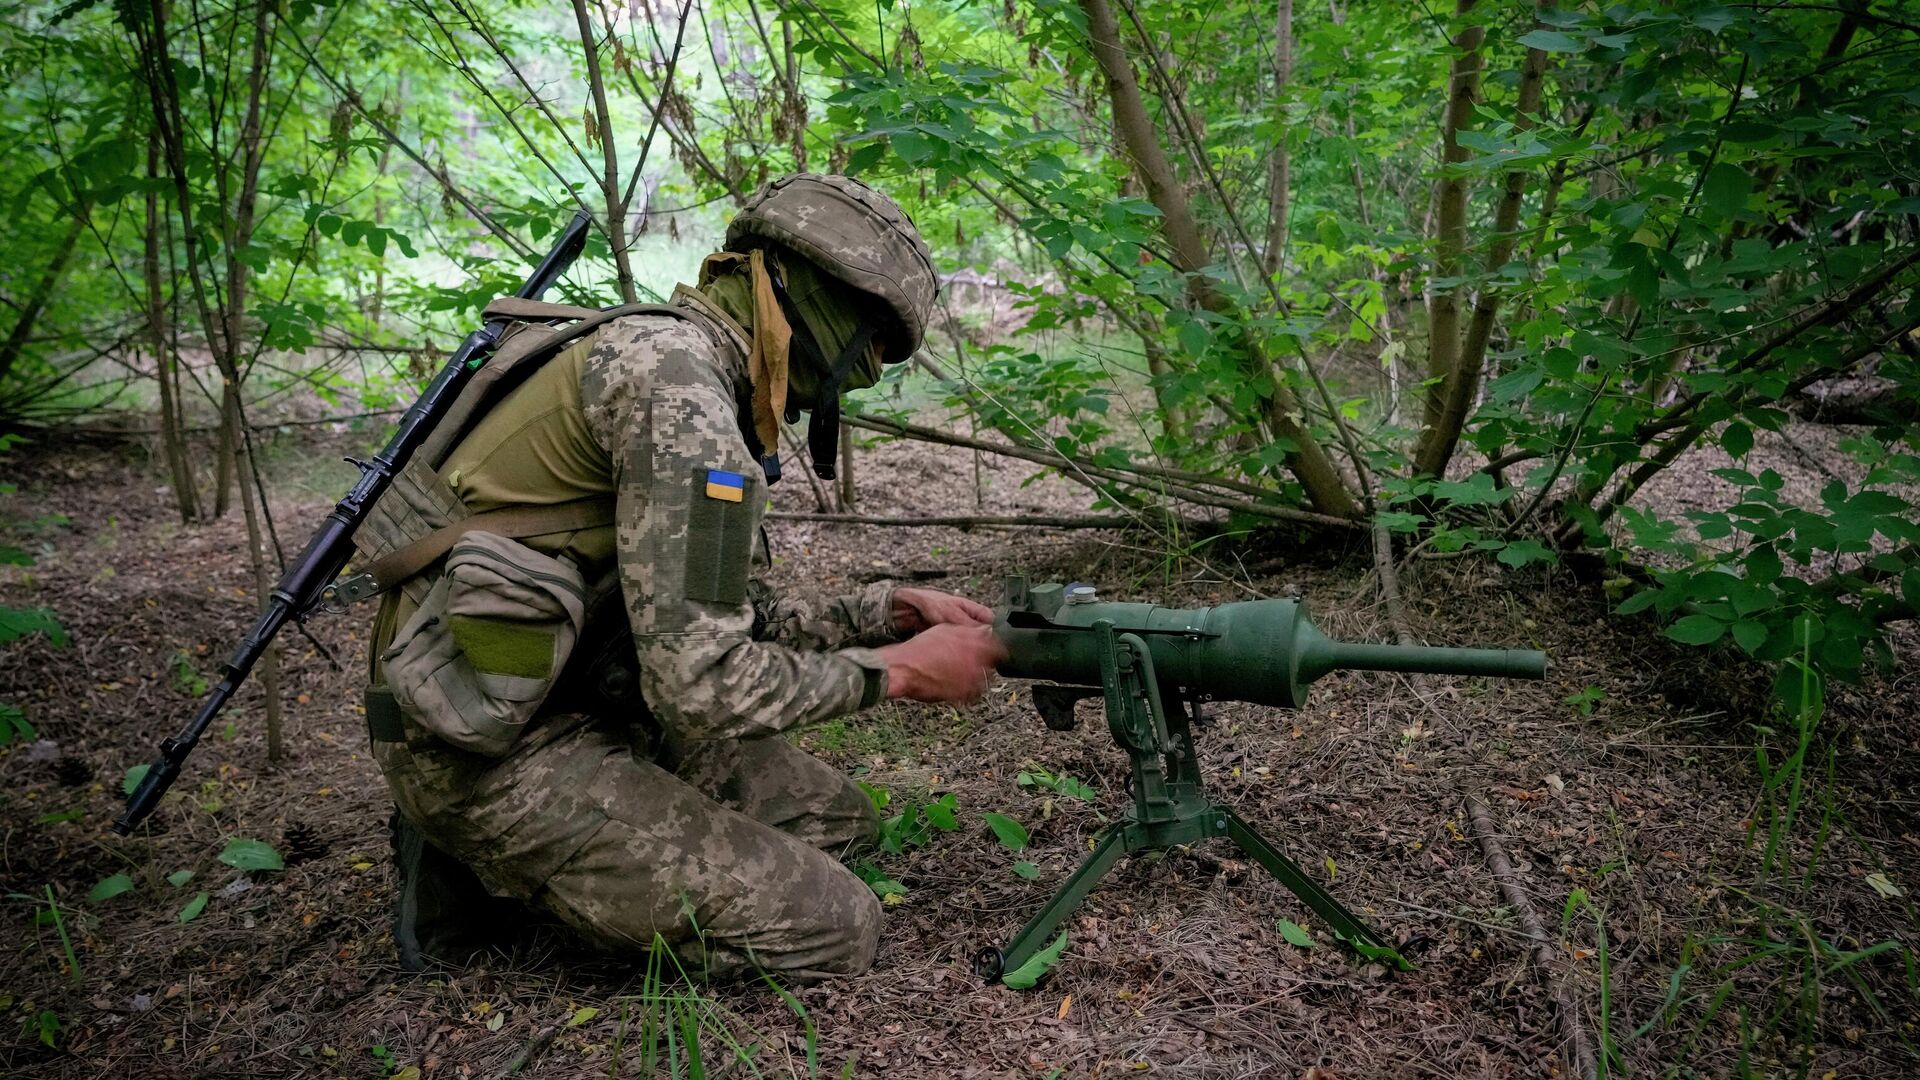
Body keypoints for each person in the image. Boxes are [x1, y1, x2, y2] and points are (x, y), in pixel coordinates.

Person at [360, 174, 1006, 979]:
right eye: (869, 334)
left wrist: (883, 611)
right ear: (808, 294)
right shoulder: (679, 396)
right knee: (835, 925)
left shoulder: (682, 362)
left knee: (840, 823)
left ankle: (562, 839)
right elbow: (702, 689)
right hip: (487, 748)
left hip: (572, 690)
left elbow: (717, 615)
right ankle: (477, 859)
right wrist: (899, 674)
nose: (868, 365)